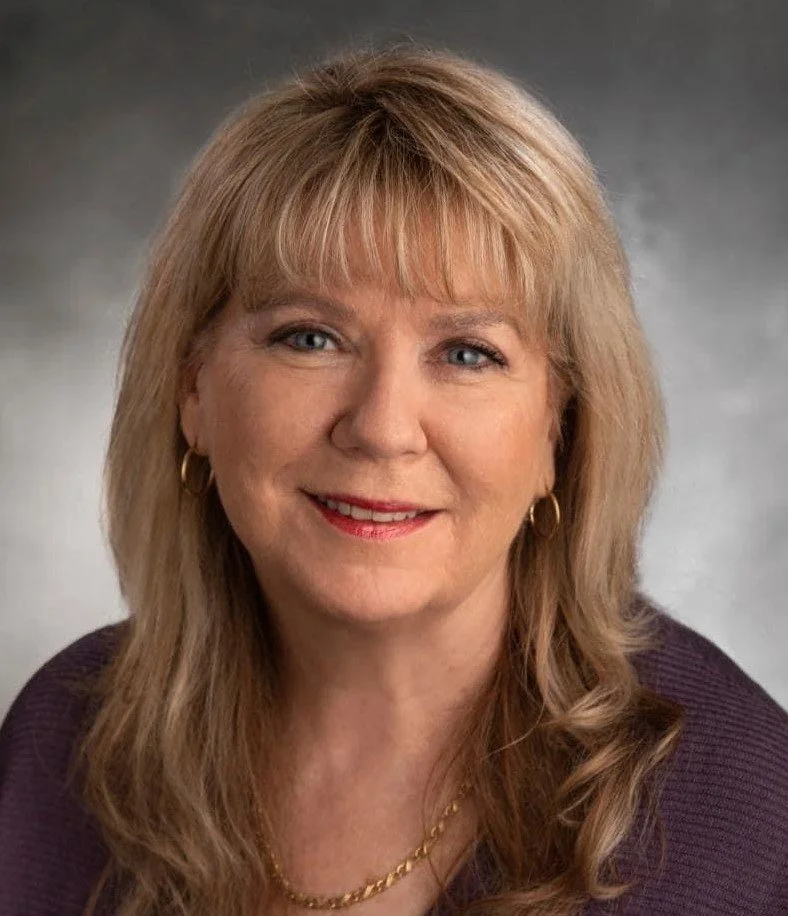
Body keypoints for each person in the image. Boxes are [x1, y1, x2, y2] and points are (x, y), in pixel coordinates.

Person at [0, 45, 786, 916]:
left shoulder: (741, 818)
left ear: (559, 432)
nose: (380, 427)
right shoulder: (60, 746)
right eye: (310, 338)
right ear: (193, 391)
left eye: (467, 354)